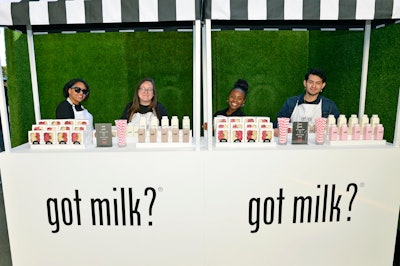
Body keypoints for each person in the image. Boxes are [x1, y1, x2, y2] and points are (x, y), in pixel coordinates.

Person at [273, 68, 339, 134]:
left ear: (323, 85)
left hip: (319, 143)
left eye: (318, 83)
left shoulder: (329, 106)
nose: (314, 86)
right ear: (305, 83)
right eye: (311, 82)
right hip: (292, 143)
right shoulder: (291, 102)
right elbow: (277, 126)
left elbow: (336, 130)